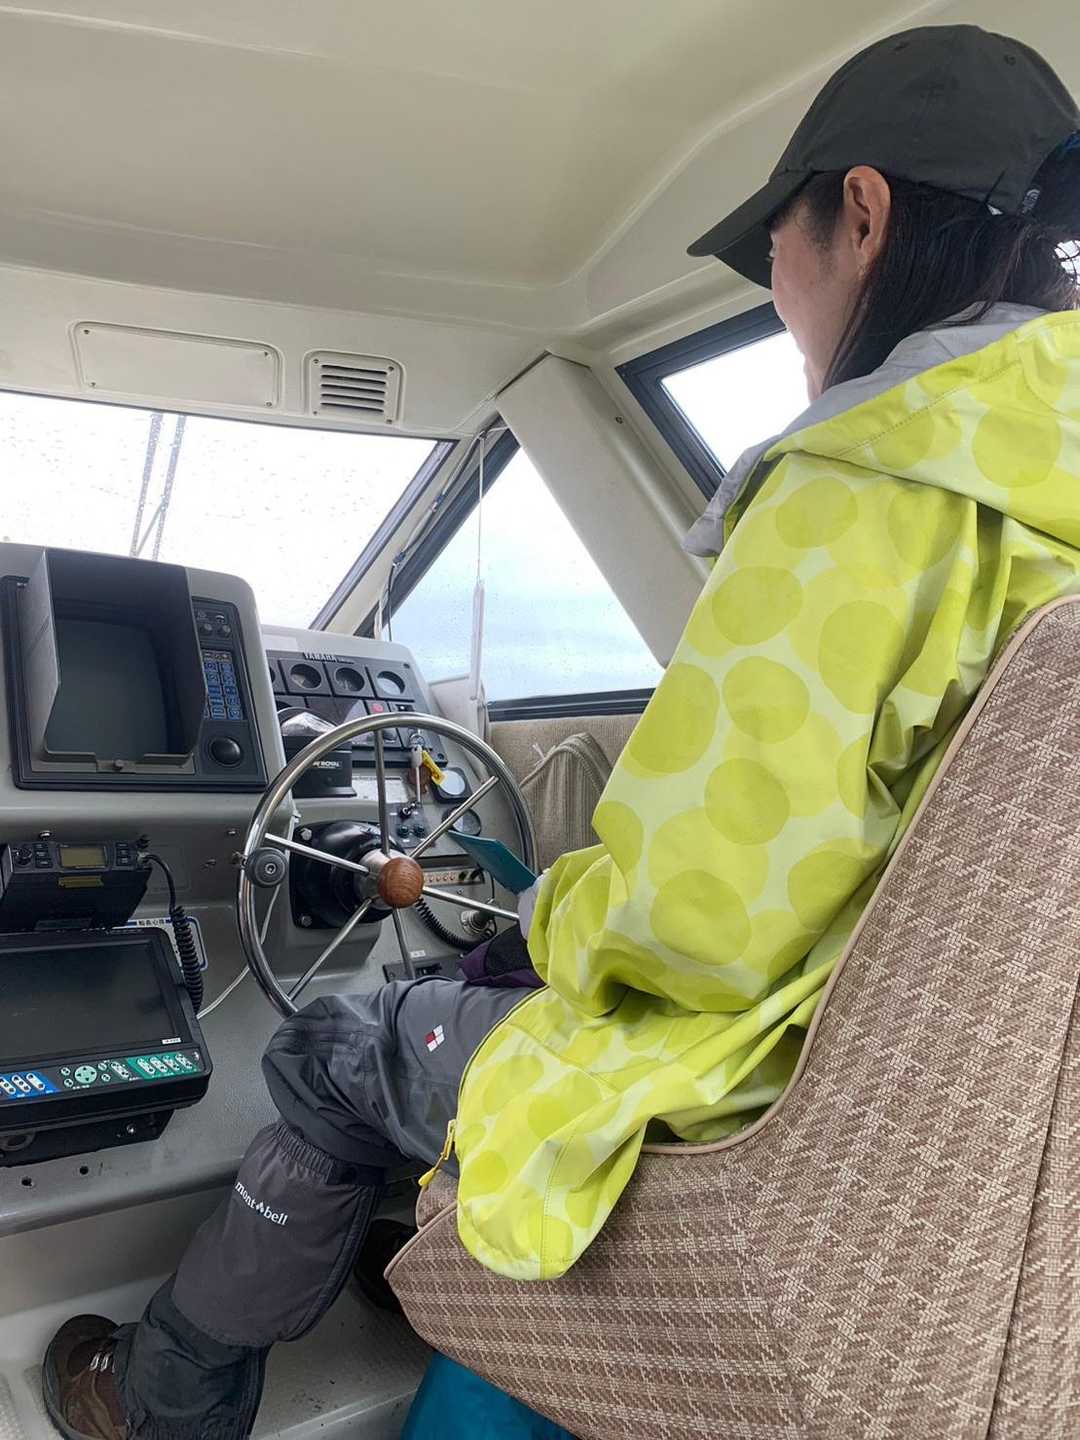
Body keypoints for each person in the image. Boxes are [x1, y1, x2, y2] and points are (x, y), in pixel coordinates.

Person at [44, 22, 1080, 1439]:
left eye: (773, 249)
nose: (781, 294)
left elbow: (695, 924)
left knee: (331, 1046)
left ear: (862, 213)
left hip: (748, 1094)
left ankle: (160, 1395)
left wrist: (550, 914)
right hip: (951, 1145)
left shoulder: (863, 490)